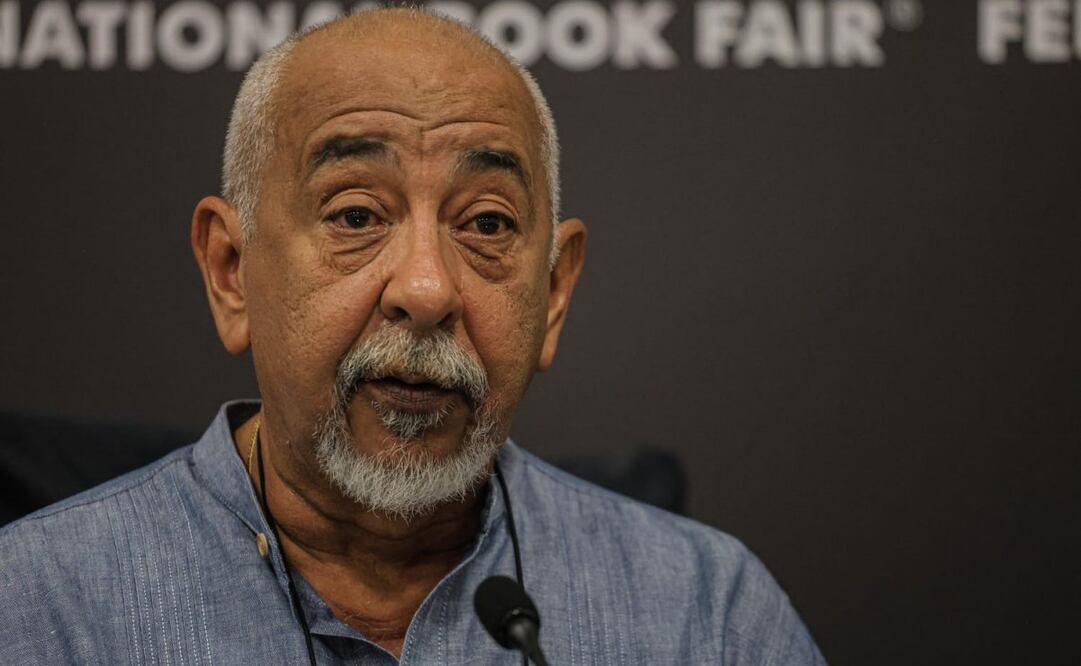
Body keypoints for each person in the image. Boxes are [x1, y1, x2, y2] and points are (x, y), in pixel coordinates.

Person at [0, 8, 825, 665]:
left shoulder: (703, 612)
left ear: (554, 291)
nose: (426, 290)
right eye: (356, 215)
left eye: (487, 224)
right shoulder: (40, 604)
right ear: (230, 271)